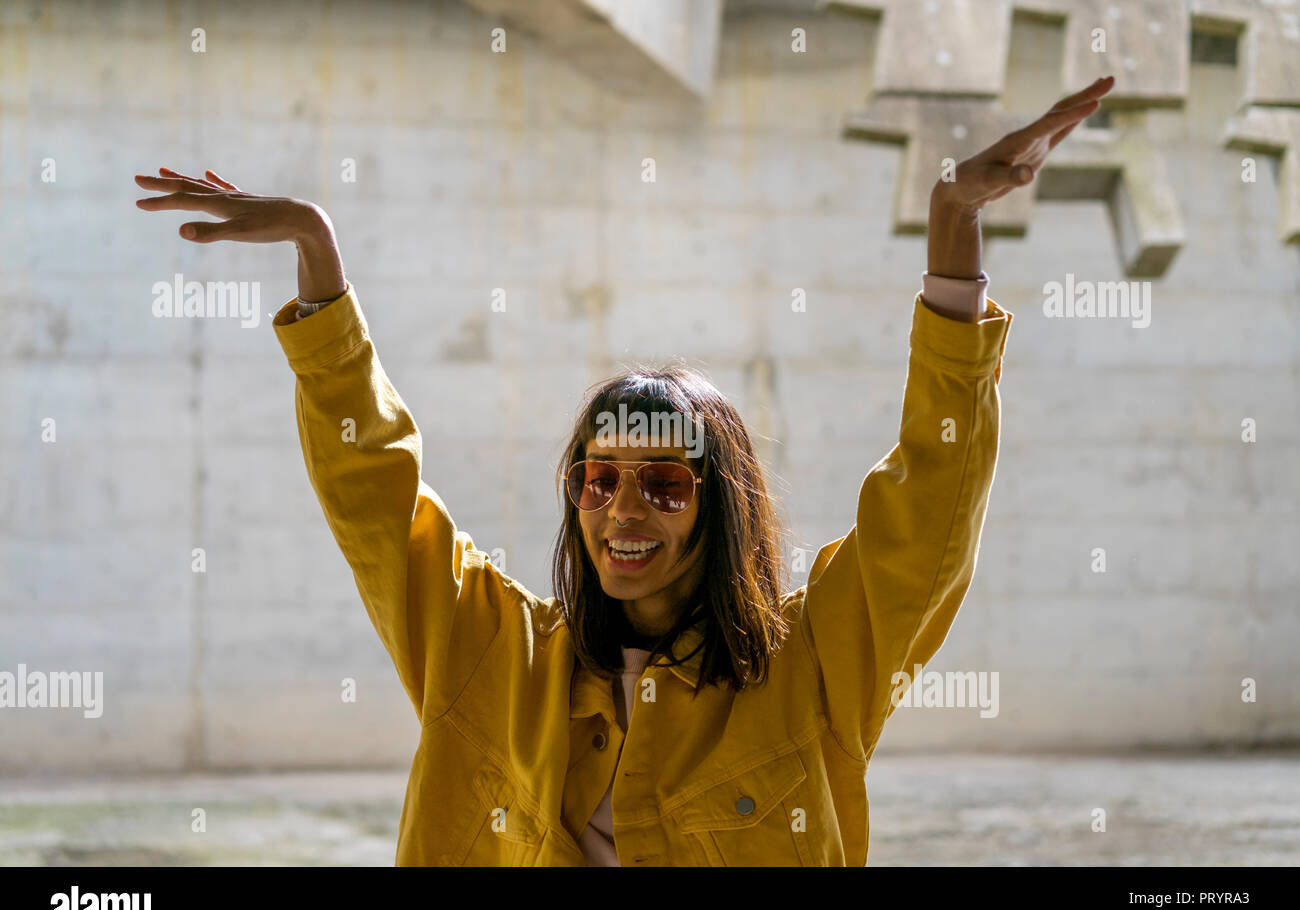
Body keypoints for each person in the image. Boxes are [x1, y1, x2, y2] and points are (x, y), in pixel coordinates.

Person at [135, 76, 1115, 866]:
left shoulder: (813, 668)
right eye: (597, 480)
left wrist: (952, 228)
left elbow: (928, 503)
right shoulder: (488, 652)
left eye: (665, 483)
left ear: (720, 507)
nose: (623, 510)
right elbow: (374, 492)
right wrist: (319, 259)